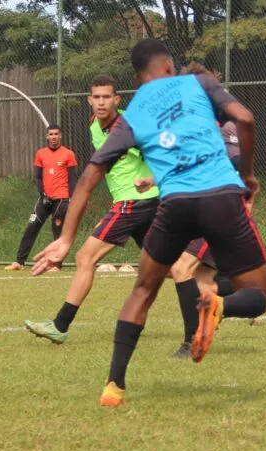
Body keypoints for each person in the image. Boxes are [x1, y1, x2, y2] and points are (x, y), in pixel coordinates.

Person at [32, 38, 266, 407]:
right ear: (169, 67)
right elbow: (245, 119)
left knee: (142, 291)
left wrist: (65, 239)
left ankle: (114, 385)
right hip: (223, 198)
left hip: (173, 206)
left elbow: (91, 173)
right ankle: (219, 305)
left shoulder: (131, 116)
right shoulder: (199, 83)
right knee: (259, 294)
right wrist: (250, 175)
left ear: (136, 77)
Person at [161, 62, 266, 360]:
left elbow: (237, 164)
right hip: (198, 207)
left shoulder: (224, 126)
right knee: (202, 281)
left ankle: (190, 341)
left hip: (219, 208)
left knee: (181, 268)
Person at [23, 75, 160, 344]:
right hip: (136, 203)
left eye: (106, 97)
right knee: (169, 265)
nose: (101, 102)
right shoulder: (94, 126)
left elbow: (158, 150)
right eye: (96, 97)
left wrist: (154, 177)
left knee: (85, 258)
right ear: (89, 100)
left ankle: (60, 325)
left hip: (134, 201)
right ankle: (223, 297)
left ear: (117, 100)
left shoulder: (131, 125)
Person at [5, 124, 77, 272]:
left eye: (56, 134)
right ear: (47, 136)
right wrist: (43, 195)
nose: (54, 137)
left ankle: (57, 265)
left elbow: (72, 179)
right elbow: (37, 177)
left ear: (60, 136)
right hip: (45, 199)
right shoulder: (40, 154)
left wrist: (70, 197)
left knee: (58, 231)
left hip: (62, 199)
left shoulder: (68, 154)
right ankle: (19, 261)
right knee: (31, 227)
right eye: (51, 134)